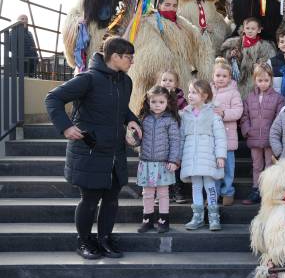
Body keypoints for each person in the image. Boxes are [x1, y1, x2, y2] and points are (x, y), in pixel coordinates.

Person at [45, 37, 141, 259]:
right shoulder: (87, 79)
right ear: (115, 56)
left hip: (115, 151)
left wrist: (132, 120)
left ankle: (104, 239)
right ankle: (84, 241)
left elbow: (121, 109)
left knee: (111, 199)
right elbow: (53, 98)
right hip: (90, 150)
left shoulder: (125, 81)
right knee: (89, 200)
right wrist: (66, 127)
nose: (132, 62)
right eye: (129, 57)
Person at [179, 79, 227, 231]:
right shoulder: (185, 114)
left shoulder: (213, 113)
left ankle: (213, 216)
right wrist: (178, 156)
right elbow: (181, 137)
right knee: (196, 186)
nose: (190, 95)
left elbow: (220, 136)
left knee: (210, 185)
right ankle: (197, 216)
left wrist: (220, 156)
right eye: (190, 92)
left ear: (205, 96)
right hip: (191, 156)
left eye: (195, 92)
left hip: (208, 156)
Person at [133, 86, 181, 234]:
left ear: (167, 102)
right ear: (148, 101)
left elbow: (175, 141)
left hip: (163, 163)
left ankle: (163, 221)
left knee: (163, 193)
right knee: (147, 193)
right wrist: (133, 137)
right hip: (146, 162)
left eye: (161, 102)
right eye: (153, 101)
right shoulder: (144, 118)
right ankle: (147, 220)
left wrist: (174, 160)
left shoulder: (170, 120)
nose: (157, 105)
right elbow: (138, 140)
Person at [240, 63, 285, 205]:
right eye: (260, 80)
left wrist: (274, 134)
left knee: (269, 165)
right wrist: (247, 130)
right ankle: (256, 190)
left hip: (270, 139)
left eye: (266, 80)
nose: (263, 83)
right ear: (255, 80)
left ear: (271, 80)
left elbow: (279, 118)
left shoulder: (278, 98)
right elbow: (244, 116)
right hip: (254, 137)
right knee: (257, 165)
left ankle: (269, 191)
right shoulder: (249, 98)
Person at [210, 58, 244, 206]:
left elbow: (238, 111)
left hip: (228, 137)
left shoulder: (233, 93)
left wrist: (223, 113)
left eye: (224, 76)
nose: (221, 79)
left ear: (230, 78)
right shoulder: (208, 91)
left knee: (228, 168)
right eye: (218, 76)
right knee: (214, 167)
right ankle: (214, 193)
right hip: (212, 139)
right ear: (213, 76)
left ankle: (228, 191)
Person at [220, 17, 276, 97]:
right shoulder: (235, 42)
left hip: (253, 81)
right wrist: (232, 56)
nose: (250, 31)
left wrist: (258, 65)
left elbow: (266, 62)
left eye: (253, 29)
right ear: (243, 29)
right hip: (236, 81)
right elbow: (224, 55)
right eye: (247, 28)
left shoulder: (264, 46)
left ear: (259, 30)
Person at [157, 69, 188, 204]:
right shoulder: (156, 97)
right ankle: (164, 192)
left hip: (175, 136)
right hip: (161, 136)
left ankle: (177, 190)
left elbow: (184, 115)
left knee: (175, 163)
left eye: (170, 80)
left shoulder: (180, 99)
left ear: (176, 84)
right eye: (164, 80)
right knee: (162, 164)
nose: (167, 82)